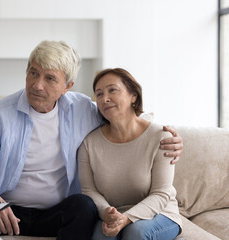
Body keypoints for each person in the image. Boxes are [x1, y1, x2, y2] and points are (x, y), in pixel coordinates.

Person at [0, 40, 183, 239]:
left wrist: (164, 135)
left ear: (67, 87)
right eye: (33, 73)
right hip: (8, 212)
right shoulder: (0, 114)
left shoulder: (83, 109)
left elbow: (121, 118)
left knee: (84, 206)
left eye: (50, 78)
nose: (37, 85)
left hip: (59, 214)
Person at [78, 68, 182, 240]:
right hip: (113, 214)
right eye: (99, 94)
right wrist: (107, 213)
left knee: (136, 232)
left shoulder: (161, 137)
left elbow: (161, 193)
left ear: (133, 96)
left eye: (112, 90)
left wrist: (126, 219)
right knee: (101, 237)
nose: (105, 98)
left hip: (160, 213)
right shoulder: (89, 143)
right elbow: (89, 190)